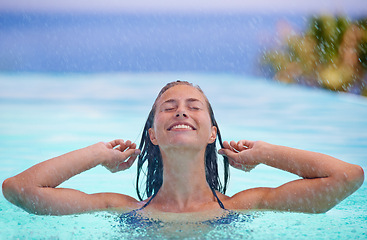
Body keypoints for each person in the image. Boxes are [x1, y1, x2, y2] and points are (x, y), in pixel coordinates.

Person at [2, 81, 364, 219]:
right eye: (169, 106)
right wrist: (97, 153)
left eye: (194, 106)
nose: (181, 111)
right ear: (153, 135)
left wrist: (266, 152)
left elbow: (348, 177)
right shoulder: (118, 207)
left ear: (212, 134)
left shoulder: (246, 204)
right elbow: (18, 190)